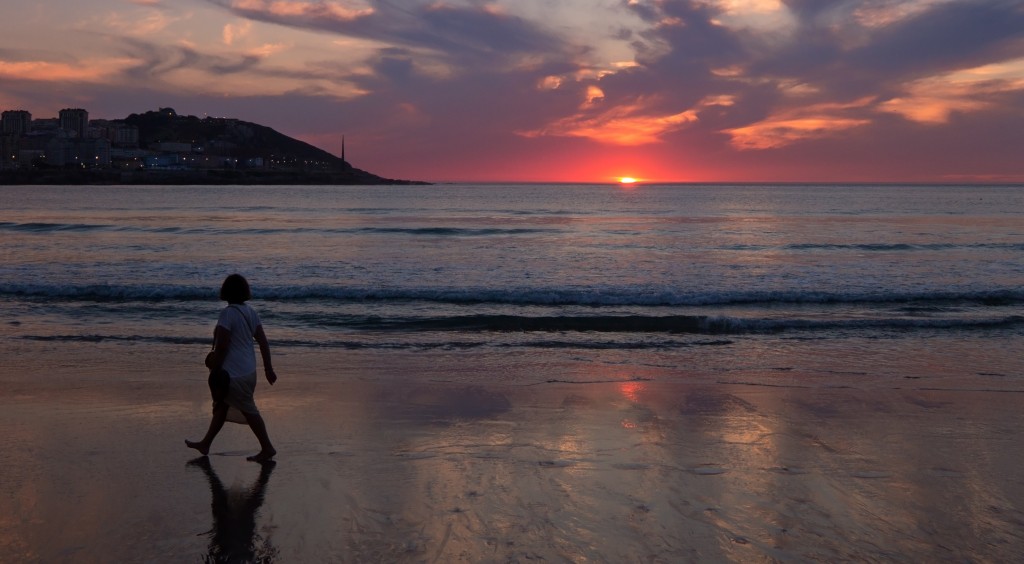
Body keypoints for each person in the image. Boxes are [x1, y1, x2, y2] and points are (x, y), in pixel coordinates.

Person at [187, 274, 278, 462]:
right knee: (222, 406)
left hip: (233, 375)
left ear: (226, 291)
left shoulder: (227, 314)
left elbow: (222, 346)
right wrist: (268, 369)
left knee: (249, 410)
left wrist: (215, 369)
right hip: (248, 372)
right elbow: (263, 342)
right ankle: (206, 443)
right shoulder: (251, 312)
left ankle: (267, 447)